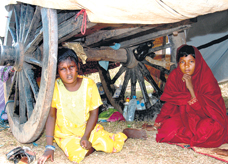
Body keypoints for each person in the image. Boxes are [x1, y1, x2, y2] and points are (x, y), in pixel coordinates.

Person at [38, 48, 147, 164]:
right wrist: (49, 147)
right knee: (76, 155)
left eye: (71, 67)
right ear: (57, 71)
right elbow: (51, 117)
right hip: (66, 135)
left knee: (110, 145)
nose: (68, 72)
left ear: (78, 66)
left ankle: (125, 133)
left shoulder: (89, 85)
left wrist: (86, 136)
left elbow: (94, 113)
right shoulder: (55, 88)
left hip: (87, 130)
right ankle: (94, 147)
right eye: (63, 69)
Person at [142, 45, 228, 148]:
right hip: (185, 117)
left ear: (197, 62)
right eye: (182, 62)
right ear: (178, 63)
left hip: (205, 118)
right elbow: (169, 103)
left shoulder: (206, 79)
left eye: (191, 61)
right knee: (168, 129)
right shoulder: (175, 75)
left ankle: (191, 136)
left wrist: (191, 90)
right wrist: (157, 124)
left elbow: (207, 114)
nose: (187, 66)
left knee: (210, 129)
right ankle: (191, 136)